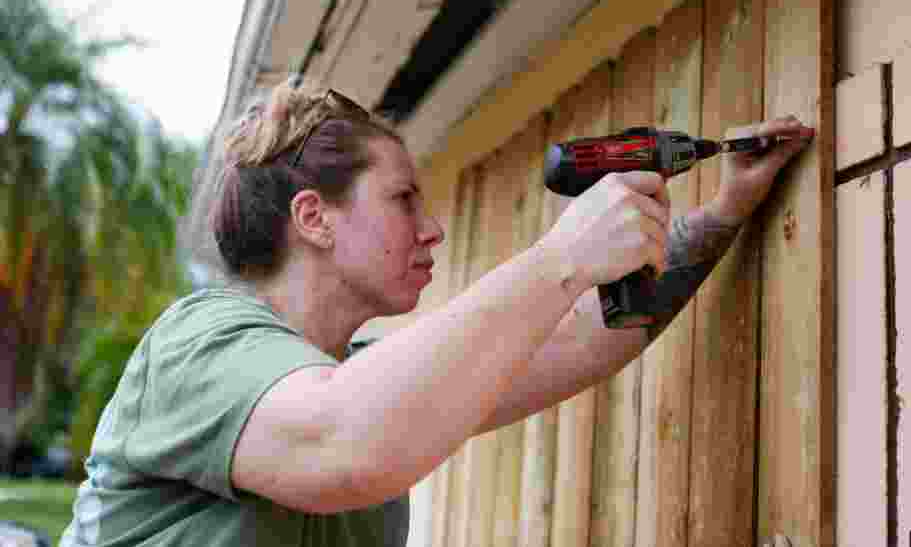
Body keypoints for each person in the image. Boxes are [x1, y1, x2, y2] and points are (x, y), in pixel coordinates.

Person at [59, 78, 814, 546]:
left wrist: (724, 210)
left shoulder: (362, 379)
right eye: (402, 198)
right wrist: (560, 257)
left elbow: (589, 338)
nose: (432, 226)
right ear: (314, 218)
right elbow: (346, 442)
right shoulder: (196, 346)